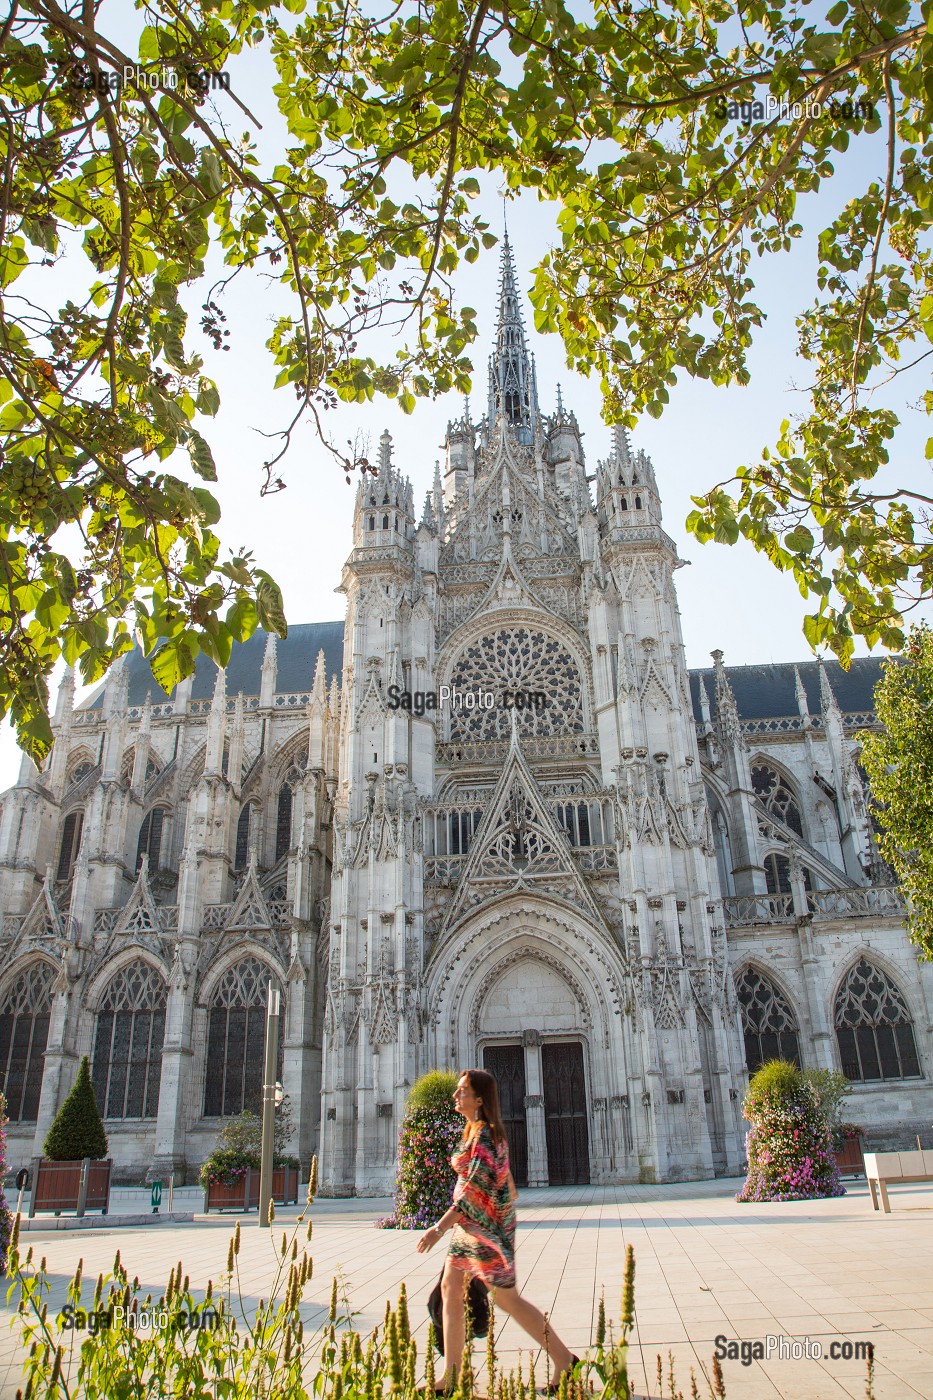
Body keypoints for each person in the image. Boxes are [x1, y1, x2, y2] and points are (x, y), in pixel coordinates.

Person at [417, 1068, 578, 1394]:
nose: (455, 1095)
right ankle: (451, 1377)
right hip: (473, 1228)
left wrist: (437, 1228)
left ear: (480, 1098)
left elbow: (475, 1187)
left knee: (507, 1301)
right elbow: (501, 1182)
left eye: (462, 1090)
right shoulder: (475, 1132)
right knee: (451, 1291)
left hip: (486, 1230)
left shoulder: (487, 1135)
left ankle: (564, 1360)